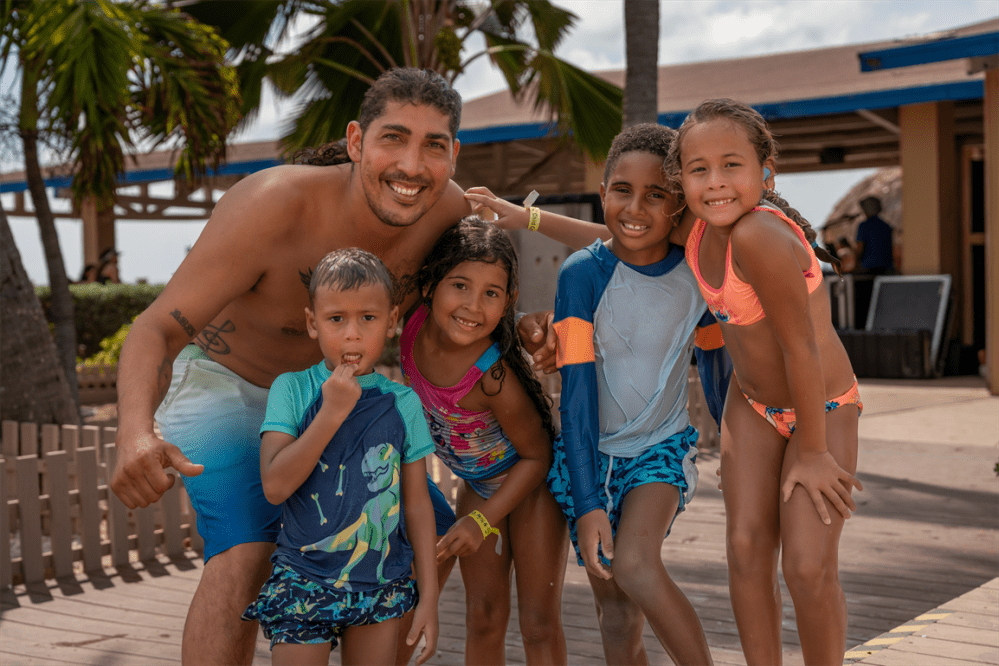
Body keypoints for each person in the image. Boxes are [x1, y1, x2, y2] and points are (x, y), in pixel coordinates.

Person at [110, 67, 556, 666]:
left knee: (422, 535)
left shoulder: (444, 211)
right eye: (393, 138)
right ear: (355, 142)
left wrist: (524, 326)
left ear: (454, 154)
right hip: (229, 385)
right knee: (248, 552)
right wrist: (136, 429)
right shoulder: (272, 205)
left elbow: (465, 296)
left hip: (336, 395)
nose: (412, 165)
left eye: (434, 145)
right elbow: (156, 327)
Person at [474, 124, 725, 666]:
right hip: (588, 457)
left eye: (657, 195)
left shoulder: (698, 271)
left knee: (635, 563)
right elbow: (578, 395)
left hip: (658, 450)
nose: (635, 207)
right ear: (604, 188)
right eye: (621, 190)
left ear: (679, 205)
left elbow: (720, 358)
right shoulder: (582, 275)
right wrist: (587, 504)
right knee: (615, 615)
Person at [666, 98, 864, 666]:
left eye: (732, 165)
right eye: (698, 169)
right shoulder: (699, 228)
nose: (716, 182)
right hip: (751, 405)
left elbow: (800, 347)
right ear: (682, 178)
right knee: (747, 552)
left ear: (765, 171)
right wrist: (524, 217)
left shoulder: (759, 236)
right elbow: (630, 234)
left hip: (821, 404)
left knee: (805, 565)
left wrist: (813, 451)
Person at [243, 248, 439, 666]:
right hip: (303, 579)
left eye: (368, 318)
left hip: (381, 583)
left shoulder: (403, 404)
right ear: (313, 323)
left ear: (392, 321)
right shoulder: (292, 390)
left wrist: (430, 596)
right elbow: (275, 486)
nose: (352, 334)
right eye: (336, 319)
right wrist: (332, 412)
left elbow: (419, 504)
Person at [401, 216, 569, 665]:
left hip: (534, 490)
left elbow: (537, 455)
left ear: (508, 300)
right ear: (429, 284)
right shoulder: (410, 325)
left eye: (491, 293)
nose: (473, 306)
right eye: (460, 285)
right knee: (484, 616)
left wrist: (483, 521)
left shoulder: (493, 377)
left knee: (538, 623)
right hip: (477, 483)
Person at [853, 196, 893, 274]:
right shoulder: (886, 226)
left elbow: (859, 248)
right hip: (887, 270)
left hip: (869, 269)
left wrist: (855, 265)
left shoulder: (864, 226)